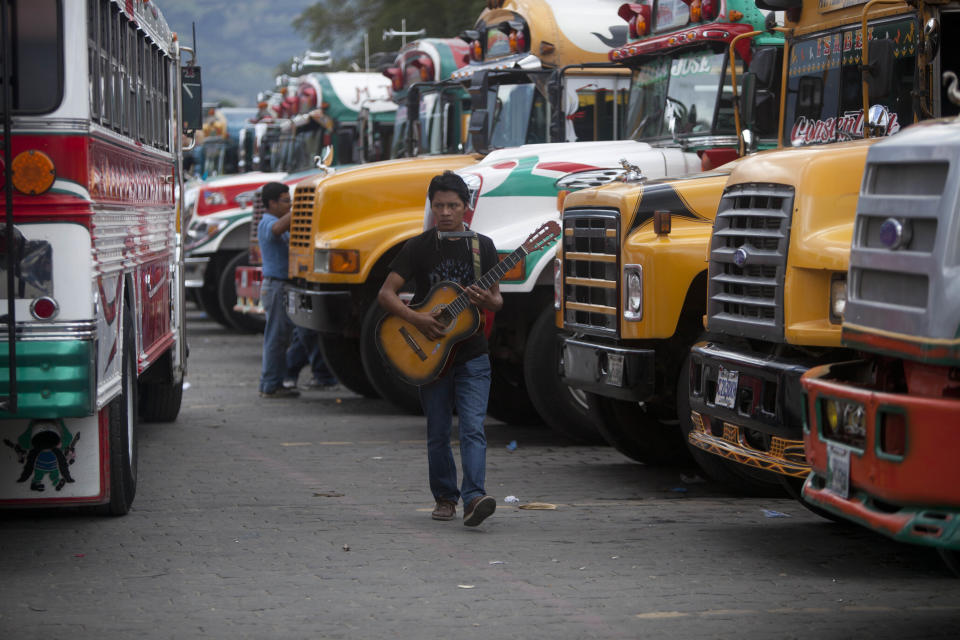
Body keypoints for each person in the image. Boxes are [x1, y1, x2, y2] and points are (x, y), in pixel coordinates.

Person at [377, 171, 502, 527]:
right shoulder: (417, 246)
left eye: (453, 205)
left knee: (473, 427)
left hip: (473, 352)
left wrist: (488, 298)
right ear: (431, 207)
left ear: (466, 207)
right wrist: (417, 320)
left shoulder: (482, 247)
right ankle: (445, 498)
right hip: (431, 353)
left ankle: (474, 497)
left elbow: (497, 302)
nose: (445, 212)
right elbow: (386, 294)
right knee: (437, 430)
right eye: (439, 205)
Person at [257, 182, 300, 399]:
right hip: (275, 287)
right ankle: (269, 385)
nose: (289, 205)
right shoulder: (267, 222)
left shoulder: (277, 221)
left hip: (281, 287)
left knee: (283, 338)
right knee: (275, 338)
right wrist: (300, 208)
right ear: (272, 203)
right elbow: (276, 230)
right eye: (286, 200)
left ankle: (276, 382)